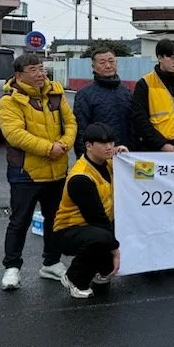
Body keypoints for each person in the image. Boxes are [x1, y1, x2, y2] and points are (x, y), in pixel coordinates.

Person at [0, 53, 77, 291]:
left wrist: (64, 144)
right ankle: (12, 267)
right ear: (19, 75)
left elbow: (71, 123)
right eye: (33, 70)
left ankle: (51, 262)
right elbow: (14, 134)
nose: (40, 74)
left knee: (56, 219)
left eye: (41, 68)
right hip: (26, 172)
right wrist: (48, 148)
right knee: (19, 220)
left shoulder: (56, 93)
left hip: (57, 170)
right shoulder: (10, 100)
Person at [54, 123, 127, 299]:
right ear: (88, 146)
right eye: (103, 143)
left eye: (111, 142)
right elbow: (97, 219)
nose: (109, 147)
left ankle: (100, 268)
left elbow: (138, 174)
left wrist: (126, 156)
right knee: (103, 239)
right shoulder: (81, 177)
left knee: (108, 245)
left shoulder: (108, 163)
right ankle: (74, 278)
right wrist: (115, 249)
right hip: (69, 230)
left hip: (95, 227)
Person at [132, 39, 174, 152]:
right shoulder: (145, 83)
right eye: (172, 57)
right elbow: (140, 119)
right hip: (154, 150)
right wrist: (161, 144)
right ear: (160, 58)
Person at [74, 46, 134, 157]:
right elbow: (81, 132)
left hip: (126, 155)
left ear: (116, 63)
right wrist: (84, 158)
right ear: (93, 67)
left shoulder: (126, 91)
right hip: (100, 157)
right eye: (102, 62)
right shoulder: (84, 95)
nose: (108, 66)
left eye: (111, 61)